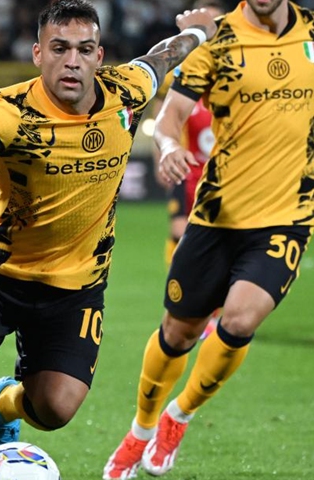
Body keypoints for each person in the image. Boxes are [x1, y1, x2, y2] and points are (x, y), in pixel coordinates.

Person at [0, 2, 217, 479]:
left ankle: (5, 405)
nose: (72, 61)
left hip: (76, 285)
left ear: (100, 55)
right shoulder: (7, 113)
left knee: (56, 409)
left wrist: (199, 35)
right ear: (38, 54)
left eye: (84, 50)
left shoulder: (127, 91)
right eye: (59, 48)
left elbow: (163, 56)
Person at [103, 0, 314, 478]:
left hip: (288, 216)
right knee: (177, 333)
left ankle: (180, 415)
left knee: (239, 319)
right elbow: (171, 116)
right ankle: (140, 429)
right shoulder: (216, 38)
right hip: (218, 216)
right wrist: (169, 146)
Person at [153, 0, 227, 342]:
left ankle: (212, 311)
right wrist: (162, 156)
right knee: (181, 232)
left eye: (213, 21)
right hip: (188, 173)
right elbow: (164, 119)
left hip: (227, 178)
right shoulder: (186, 71)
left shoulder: (234, 73)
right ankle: (184, 303)